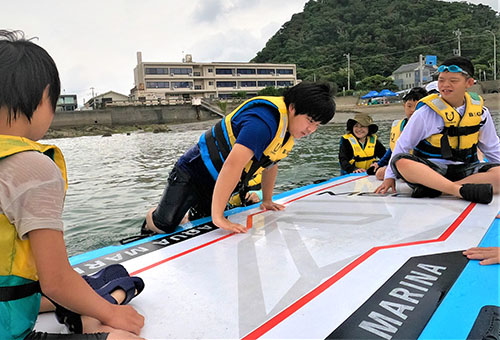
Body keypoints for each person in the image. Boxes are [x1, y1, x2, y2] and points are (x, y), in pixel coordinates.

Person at [0, 30, 145, 339]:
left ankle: (85, 314)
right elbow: (55, 281)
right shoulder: (32, 167)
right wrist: (110, 314)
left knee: (108, 281)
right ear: (43, 97)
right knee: (124, 331)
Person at [143, 82, 335, 234]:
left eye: (317, 125)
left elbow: (271, 164)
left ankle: (186, 215)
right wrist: (219, 217)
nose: (311, 130)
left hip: (219, 182)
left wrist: (267, 200)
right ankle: (152, 216)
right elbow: (233, 165)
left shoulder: (287, 131)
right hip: (193, 172)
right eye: (310, 121)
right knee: (165, 225)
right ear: (292, 108)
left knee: (203, 223)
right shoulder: (262, 123)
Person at [375, 56, 500, 204]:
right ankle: (458, 190)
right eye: (441, 80)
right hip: (430, 171)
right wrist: (390, 177)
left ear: (469, 83)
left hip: (464, 169)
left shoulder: (481, 113)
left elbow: (492, 148)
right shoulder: (425, 113)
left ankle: (440, 189)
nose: (445, 85)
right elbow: (403, 145)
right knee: (400, 161)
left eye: (453, 81)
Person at [375, 87, 428, 180]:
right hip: (404, 165)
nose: (412, 110)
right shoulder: (399, 126)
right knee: (379, 173)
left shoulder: (429, 126)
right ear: (404, 106)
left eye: (417, 107)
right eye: (409, 106)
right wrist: (379, 163)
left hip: (423, 165)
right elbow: (394, 149)